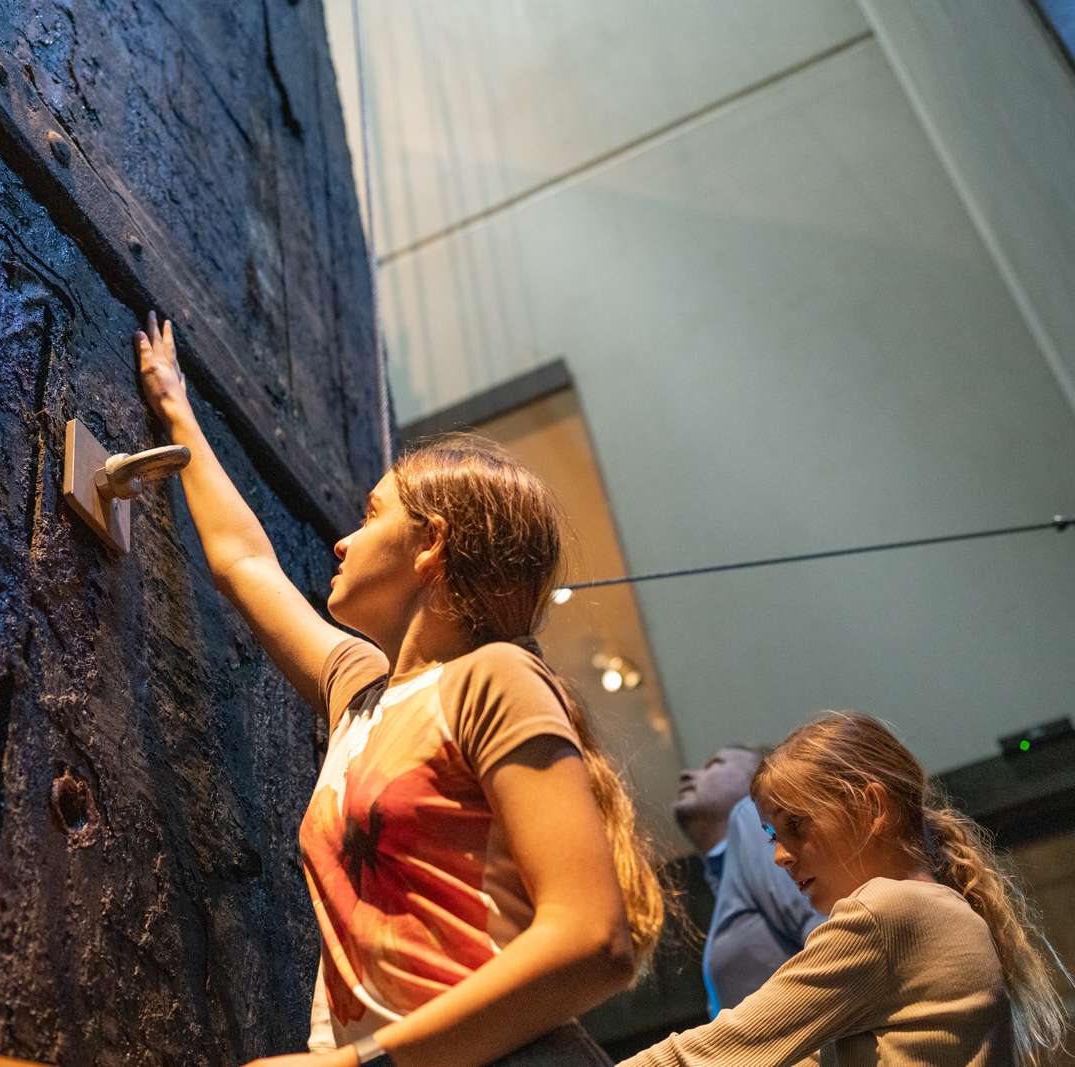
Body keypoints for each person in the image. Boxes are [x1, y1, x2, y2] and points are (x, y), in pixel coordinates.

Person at [132, 312, 665, 1067]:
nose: (343, 540)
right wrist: (176, 408)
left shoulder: (493, 678)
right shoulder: (362, 692)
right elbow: (246, 563)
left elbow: (593, 940)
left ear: (432, 544)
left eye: (373, 514)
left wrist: (359, 1064)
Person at [623, 712, 1070, 1067]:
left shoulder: (885, 913)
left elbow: (721, 1051)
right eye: (772, 836)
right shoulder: (940, 909)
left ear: (873, 807)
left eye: (796, 825)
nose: (780, 856)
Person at [671, 745, 821, 1017]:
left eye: (715, 764)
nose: (687, 775)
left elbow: (821, 930)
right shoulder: (726, 874)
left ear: (758, 781)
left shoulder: (749, 816)